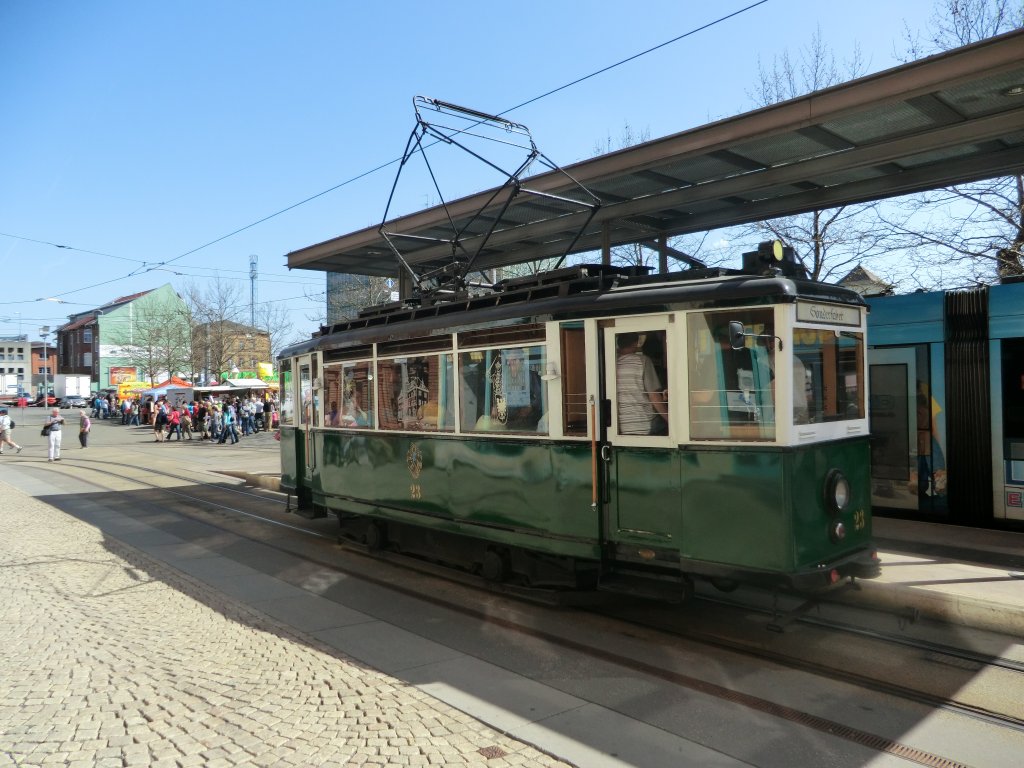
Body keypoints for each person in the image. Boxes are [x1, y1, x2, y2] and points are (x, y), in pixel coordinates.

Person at [615, 333, 668, 435]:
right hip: (644, 424)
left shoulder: (611, 362)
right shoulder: (642, 361)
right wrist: (670, 419)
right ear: (635, 343)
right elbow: (654, 396)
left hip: (621, 427)